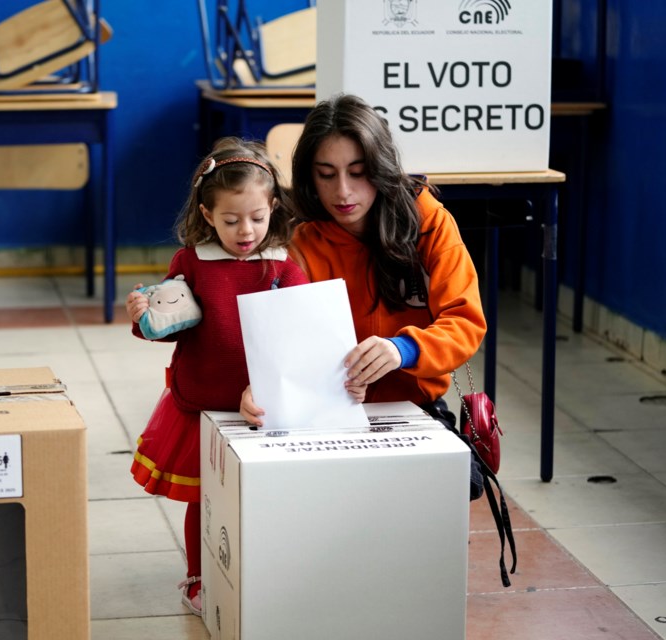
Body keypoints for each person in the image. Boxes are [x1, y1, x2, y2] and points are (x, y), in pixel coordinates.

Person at [240, 94, 487, 496]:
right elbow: (280, 344)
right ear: (308, 176)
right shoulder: (302, 244)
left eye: (359, 172)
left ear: (382, 168)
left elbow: (465, 322)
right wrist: (260, 389)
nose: (343, 191)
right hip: (327, 414)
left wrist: (402, 350)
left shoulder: (428, 222)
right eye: (326, 174)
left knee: (460, 484)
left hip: (415, 406)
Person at [126, 137, 309, 616]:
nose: (245, 230)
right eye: (230, 220)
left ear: (273, 208)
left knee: (266, 498)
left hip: (265, 409)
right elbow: (172, 324)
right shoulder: (192, 260)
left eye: (256, 217)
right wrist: (144, 317)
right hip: (204, 405)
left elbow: (302, 337)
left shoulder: (284, 266)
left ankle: (266, 573)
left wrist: (273, 382)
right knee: (204, 499)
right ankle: (198, 578)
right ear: (208, 215)